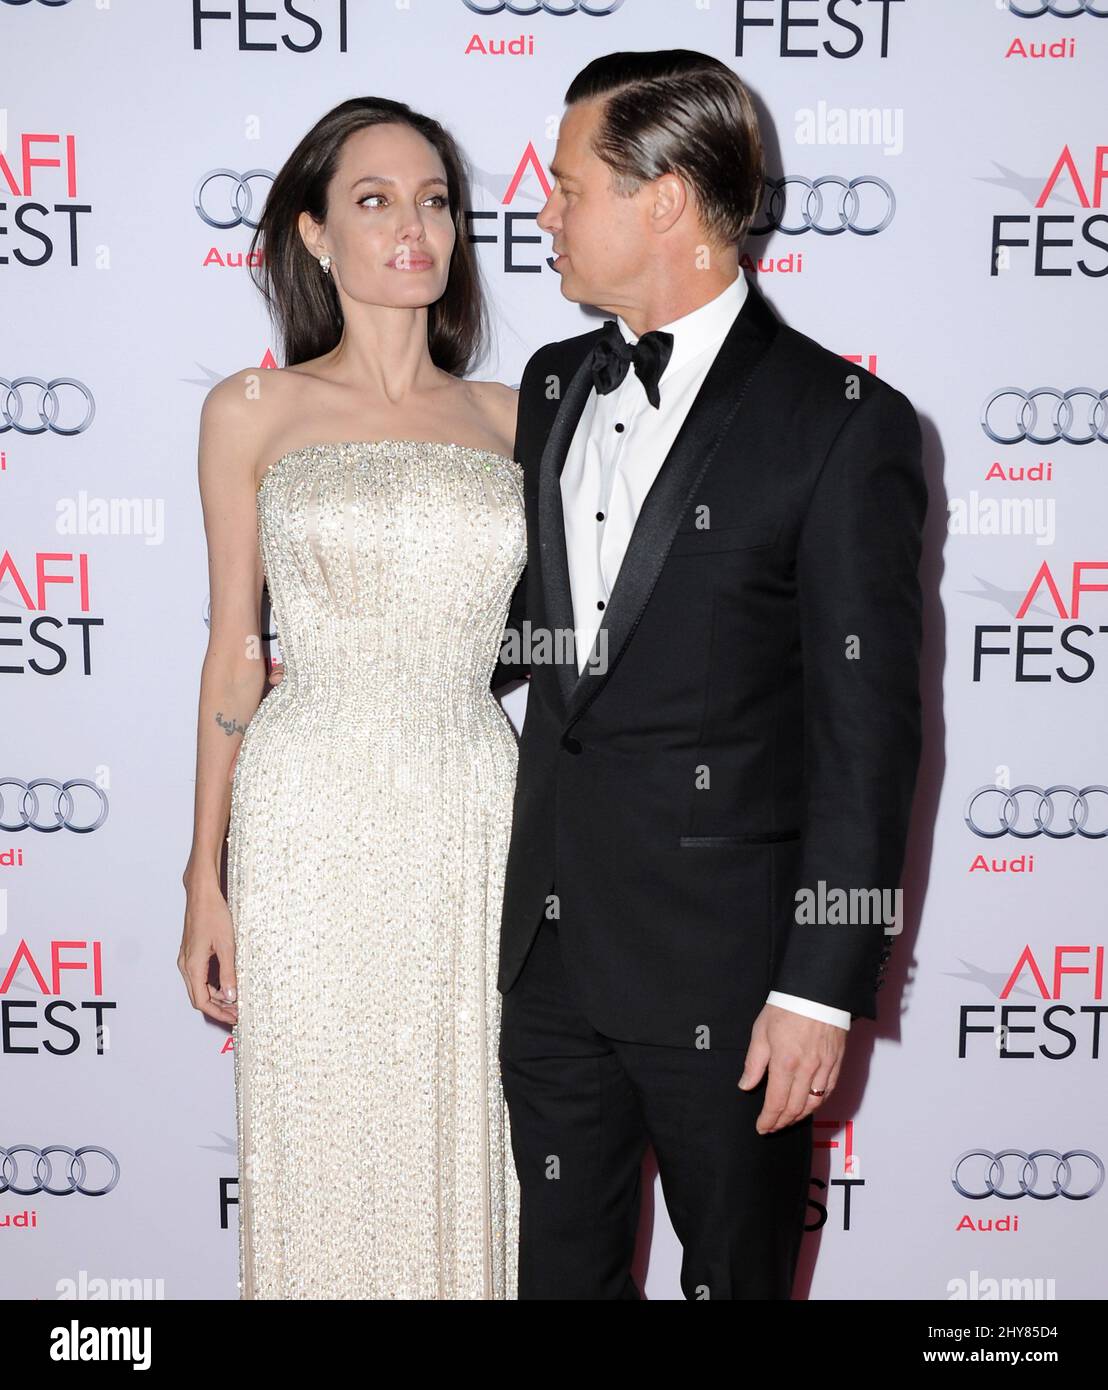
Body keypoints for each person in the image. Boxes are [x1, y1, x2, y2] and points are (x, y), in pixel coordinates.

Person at [495, 50, 927, 1299]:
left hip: (738, 989)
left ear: (666, 199)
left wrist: (821, 991)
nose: (545, 213)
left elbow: (869, 733)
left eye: (569, 187)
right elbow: (540, 637)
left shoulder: (842, 420)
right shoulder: (553, 382)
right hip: (551, 960)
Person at [177, 97, 523, 1299]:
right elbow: (234, 654)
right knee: (321, 1136)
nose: (413, 227)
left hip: (476, 809)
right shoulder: (252, 409)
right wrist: (202, 873)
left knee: (468, 1126)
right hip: (310, 805)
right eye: (375, 200)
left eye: (435, 201)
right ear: (314, 233)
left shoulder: (515, 419)